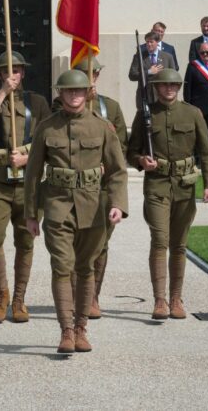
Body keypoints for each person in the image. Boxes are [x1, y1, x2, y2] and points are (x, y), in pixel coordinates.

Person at [24, 68, 127, 354]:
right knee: (61, 266)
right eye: (69, 91)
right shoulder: (47, 127)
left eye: (79, 91)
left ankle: (82, 328)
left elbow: (118, 170)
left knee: (85, 268)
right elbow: (32, 174)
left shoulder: (101, 127)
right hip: (57, 207)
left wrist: (118, 203)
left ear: (87, 93)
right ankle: (66, 330)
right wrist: (32, 214)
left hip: (93, 207)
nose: (74, 96)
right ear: (60, 93)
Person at [127, 67, 208, 319]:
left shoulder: (192, 113)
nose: (169, 89)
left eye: (174, 85)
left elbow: (207, 152)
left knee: (179, 245)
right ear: (156, 88)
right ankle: (159, 300)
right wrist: (142, 161)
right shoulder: (145, 115)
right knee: (160, 240)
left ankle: (176, 299)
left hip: (184, 186)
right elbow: (131, 152)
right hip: (157, 185)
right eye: (164, 85)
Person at [0, 50, 50, 323]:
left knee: (25, 241)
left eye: (16, 70)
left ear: (23, 73)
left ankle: (19, 298)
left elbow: (49, 138)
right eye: (6, 71)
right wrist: (2, 93)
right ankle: (1, 293)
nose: (12, 75)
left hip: (28, 183)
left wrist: (28, 156)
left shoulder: (37, 103)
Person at [59, 54, 128, 319]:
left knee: (100, 245)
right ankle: (78, 297)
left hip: (101, 187)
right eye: (86, 72)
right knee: (76, 245)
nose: (91, 77)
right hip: (73, 187)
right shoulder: (62, 105)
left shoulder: (110, 107)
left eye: (95, 73)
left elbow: (120, 147)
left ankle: (93, 296)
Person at [129, 31, 177, 106]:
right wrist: (148, 72)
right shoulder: (139, 56)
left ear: (157, 42)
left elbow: (173, 77)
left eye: (151, 42)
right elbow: (132, 75)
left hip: (162, 96)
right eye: (147, 42)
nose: (149, 44)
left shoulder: (168, 57)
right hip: (145, 95)